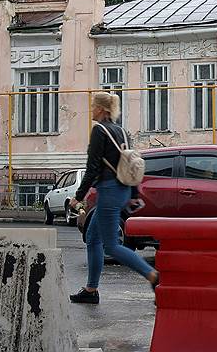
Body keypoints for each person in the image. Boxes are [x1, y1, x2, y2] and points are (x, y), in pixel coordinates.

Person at [68, 92, 159, 304]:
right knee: (92, 238)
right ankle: (91, 290)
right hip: (122, 189)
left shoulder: (99, 131)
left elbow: (92, 169)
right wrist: (134, 194)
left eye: (93, 106)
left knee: (111, 245)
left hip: (109, 191)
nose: (91, 109)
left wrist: (77, 197)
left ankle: (152, 275)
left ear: (101, 109)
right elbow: (130, 163)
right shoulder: (121, 131)